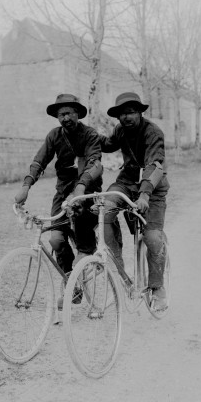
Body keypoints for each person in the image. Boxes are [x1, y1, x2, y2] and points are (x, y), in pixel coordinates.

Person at [15, 93, 103, 308]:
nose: (65, 118)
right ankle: (71, 280)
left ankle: (76, 282)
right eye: (60, 114)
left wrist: (79, 192)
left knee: (83, 242)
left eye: (68, 113)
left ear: (77, 113)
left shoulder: (90, 134)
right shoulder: (54, 135)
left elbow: (94, 163)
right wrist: (26, 186)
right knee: (56, 240)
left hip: (87, 191)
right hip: (63, 191)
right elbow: (39, 161)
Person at [99, 92, 170, 310]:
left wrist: (145, 194)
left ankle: (158, 288)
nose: (126, 117)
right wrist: (87, 135)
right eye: (121, 114)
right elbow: (108, 144)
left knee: (152, 237)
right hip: (128, 182)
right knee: (105, 209)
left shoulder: (153, 132)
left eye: (130, 112)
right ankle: (121, 274)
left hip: (153, 188)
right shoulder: (121, 130)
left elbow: (155, 165)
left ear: (139, 112)